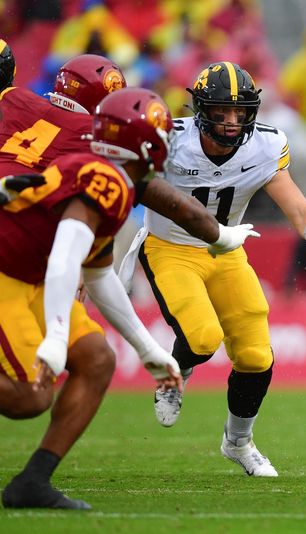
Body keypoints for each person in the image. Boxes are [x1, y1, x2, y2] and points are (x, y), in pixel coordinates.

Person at [134, 61, 306, 477]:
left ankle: (239, 442)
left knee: (255, 355)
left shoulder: (265, 146)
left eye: (239, 112)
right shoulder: (168, 140)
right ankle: (174, 375)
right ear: (200, 110)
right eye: (220, 112)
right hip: (170, 247)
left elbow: (299, 205)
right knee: (201, 337)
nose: (231, 122)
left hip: (227, 252)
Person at [0, 88, 183, 510]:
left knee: (98, 358)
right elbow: (66, 252)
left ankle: (33, 482)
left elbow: (97, 273)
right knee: (31, 395)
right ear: (142, 141)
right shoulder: (108, 179)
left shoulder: (111, 177)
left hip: (31, 276)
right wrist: (56, 334)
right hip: (7, 272)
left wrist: (149, 349)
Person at [0, 52, 259, 261]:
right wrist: (222, 236)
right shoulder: (97, 139)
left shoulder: (15, 98)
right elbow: (177, 207)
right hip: (19, 236)